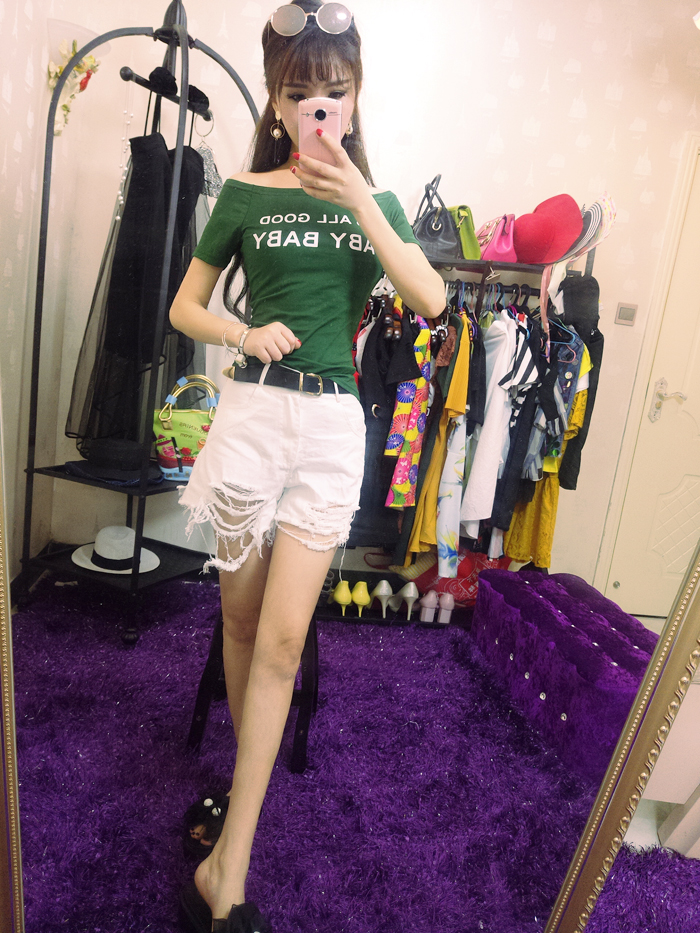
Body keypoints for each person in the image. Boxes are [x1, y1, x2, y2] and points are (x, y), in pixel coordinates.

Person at [170, 1, 445, 928]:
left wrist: (360, 198)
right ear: (278, 102)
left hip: (330, 431)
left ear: (356, 98)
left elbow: (433, 299)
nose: (318, 107)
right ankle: (233, 826)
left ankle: (230, 866)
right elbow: (185, 307)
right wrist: (242, 331)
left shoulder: (380, 204)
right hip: (251, 417)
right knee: (241, 624)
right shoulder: (246, 194)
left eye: (335, 91)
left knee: (284, 642)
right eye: (300, 93)